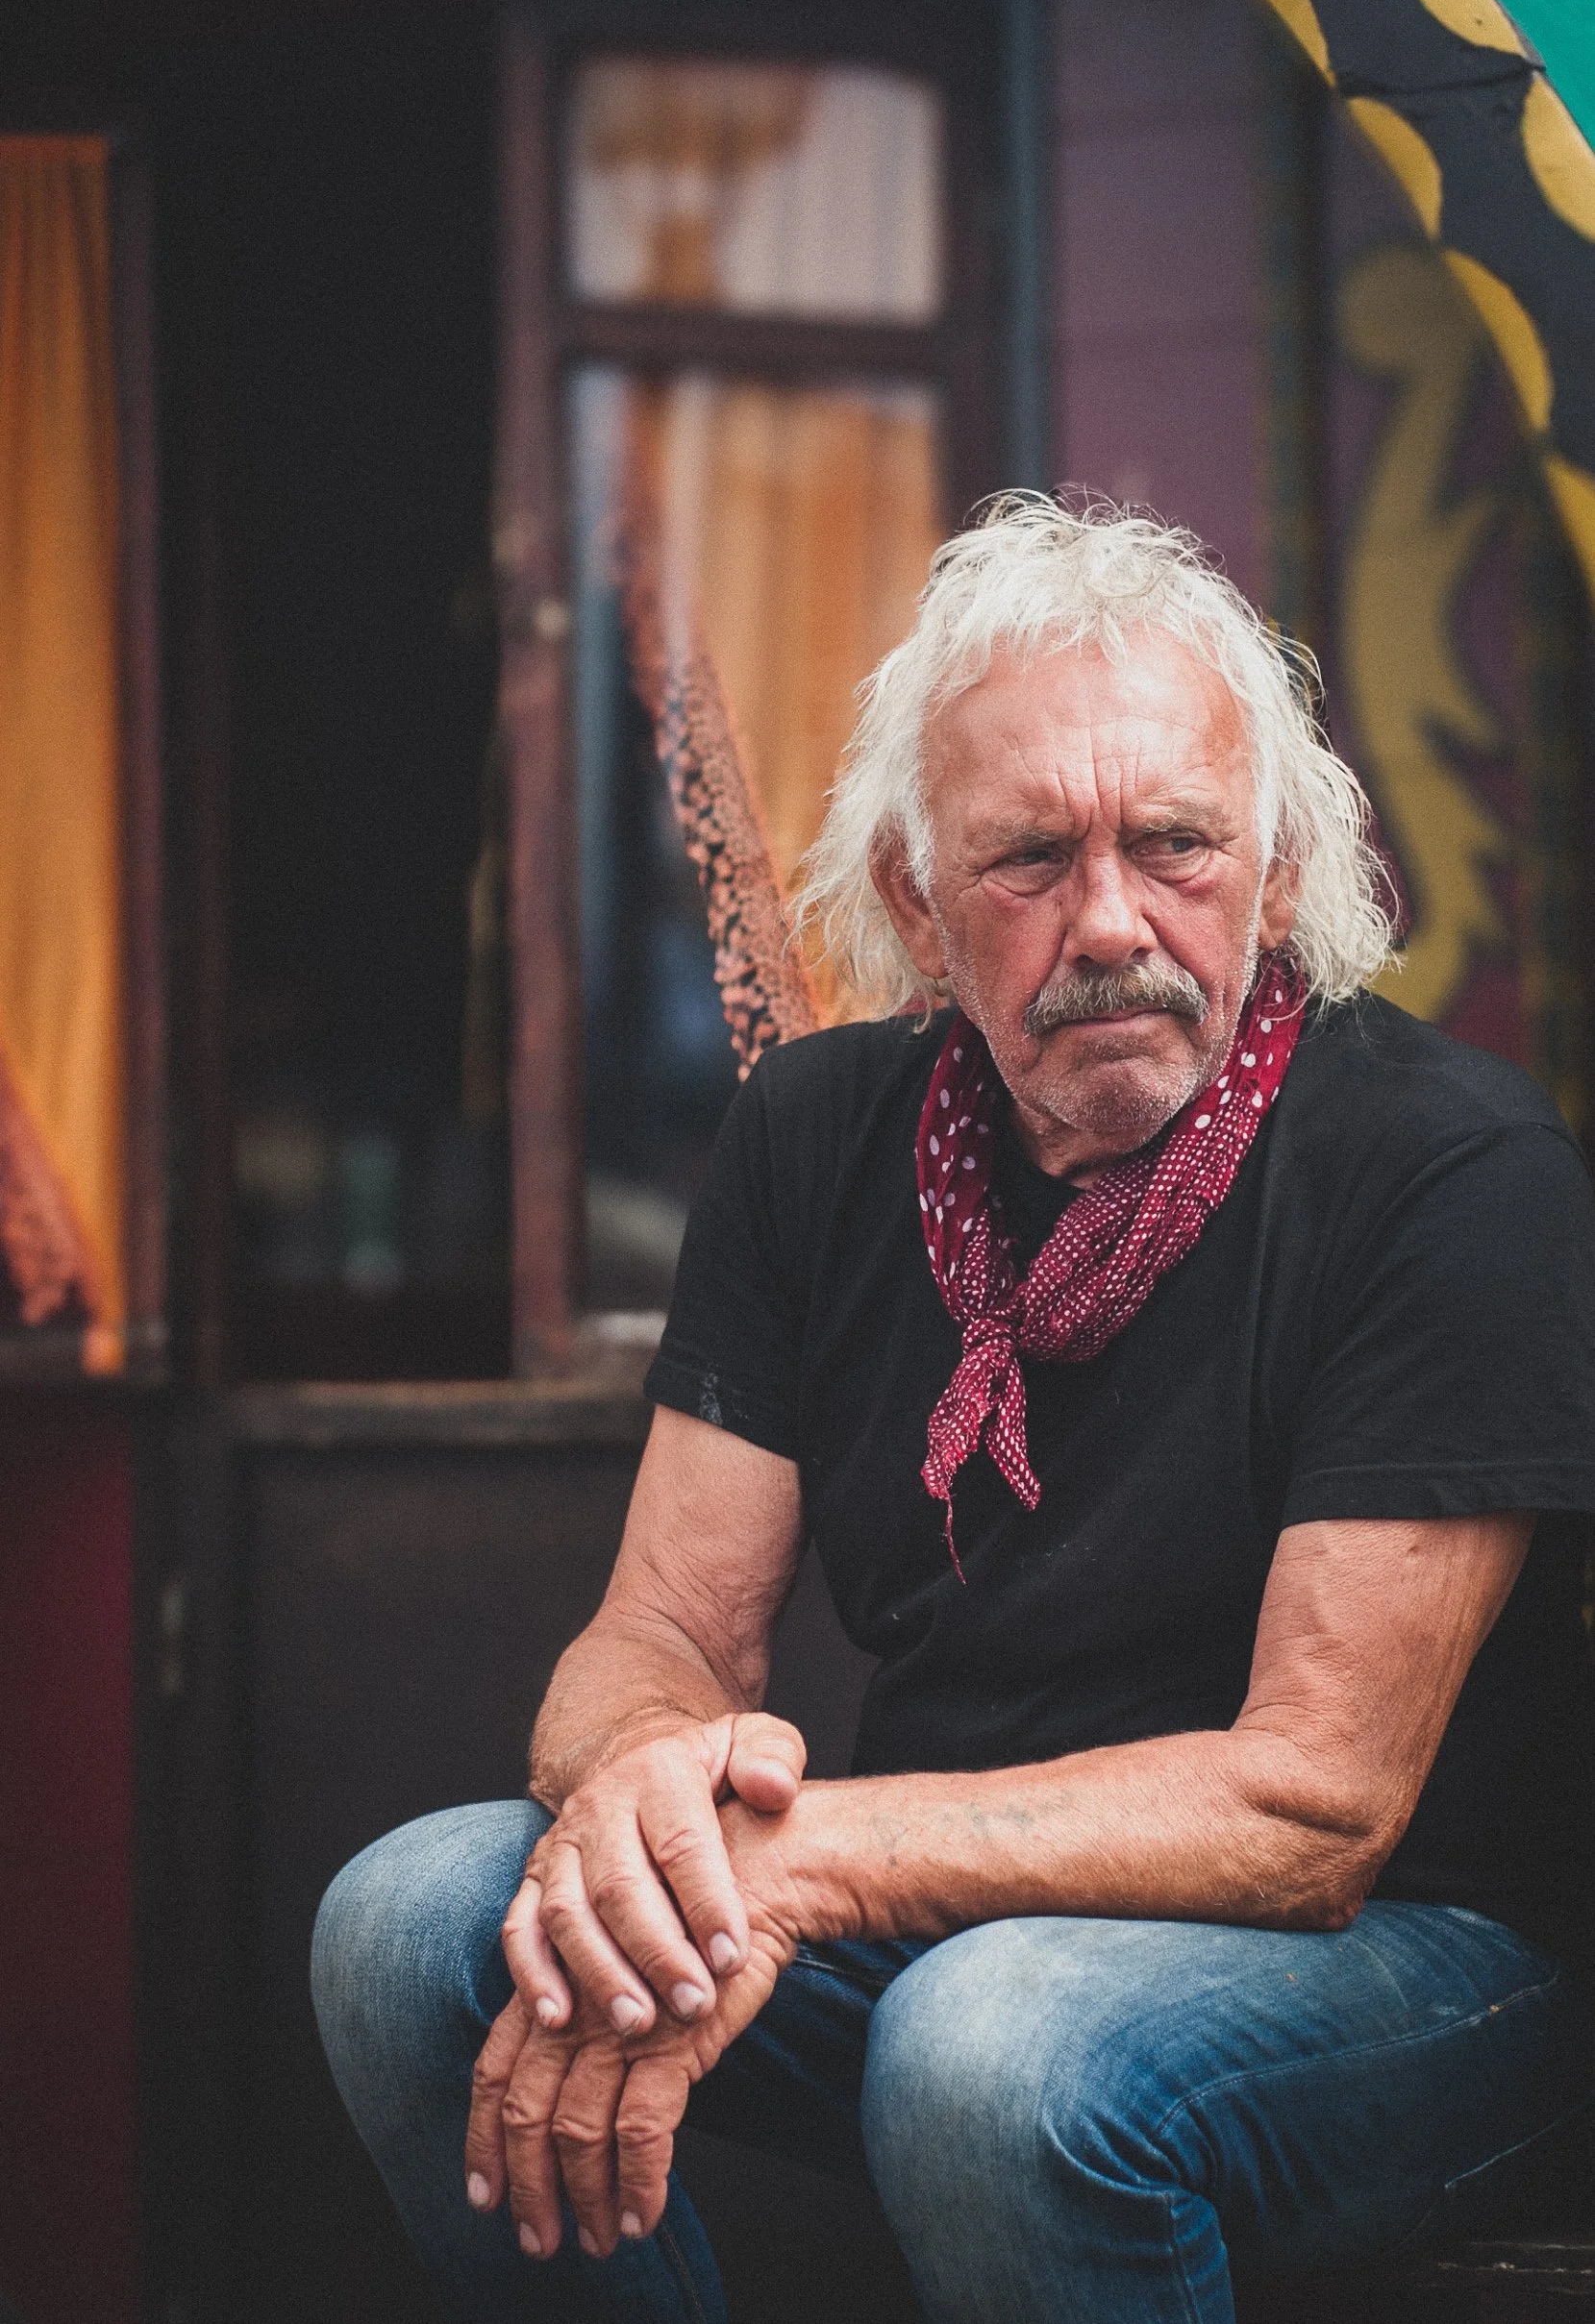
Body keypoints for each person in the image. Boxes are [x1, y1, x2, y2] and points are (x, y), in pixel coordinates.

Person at [312, 498, 1595, 2324]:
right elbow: (659, 1634)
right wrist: (645, 1796)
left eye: (1174, 844)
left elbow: (1311, 1808)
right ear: (916, 901)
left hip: (1407, 1957)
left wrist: (795, 1863)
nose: (1109, 922)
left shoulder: (1446, 1169)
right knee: (411, 1933)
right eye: (1027, 860)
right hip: (950, 1921)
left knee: (992, 2051)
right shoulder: (818, 1137)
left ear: (1277, 873)